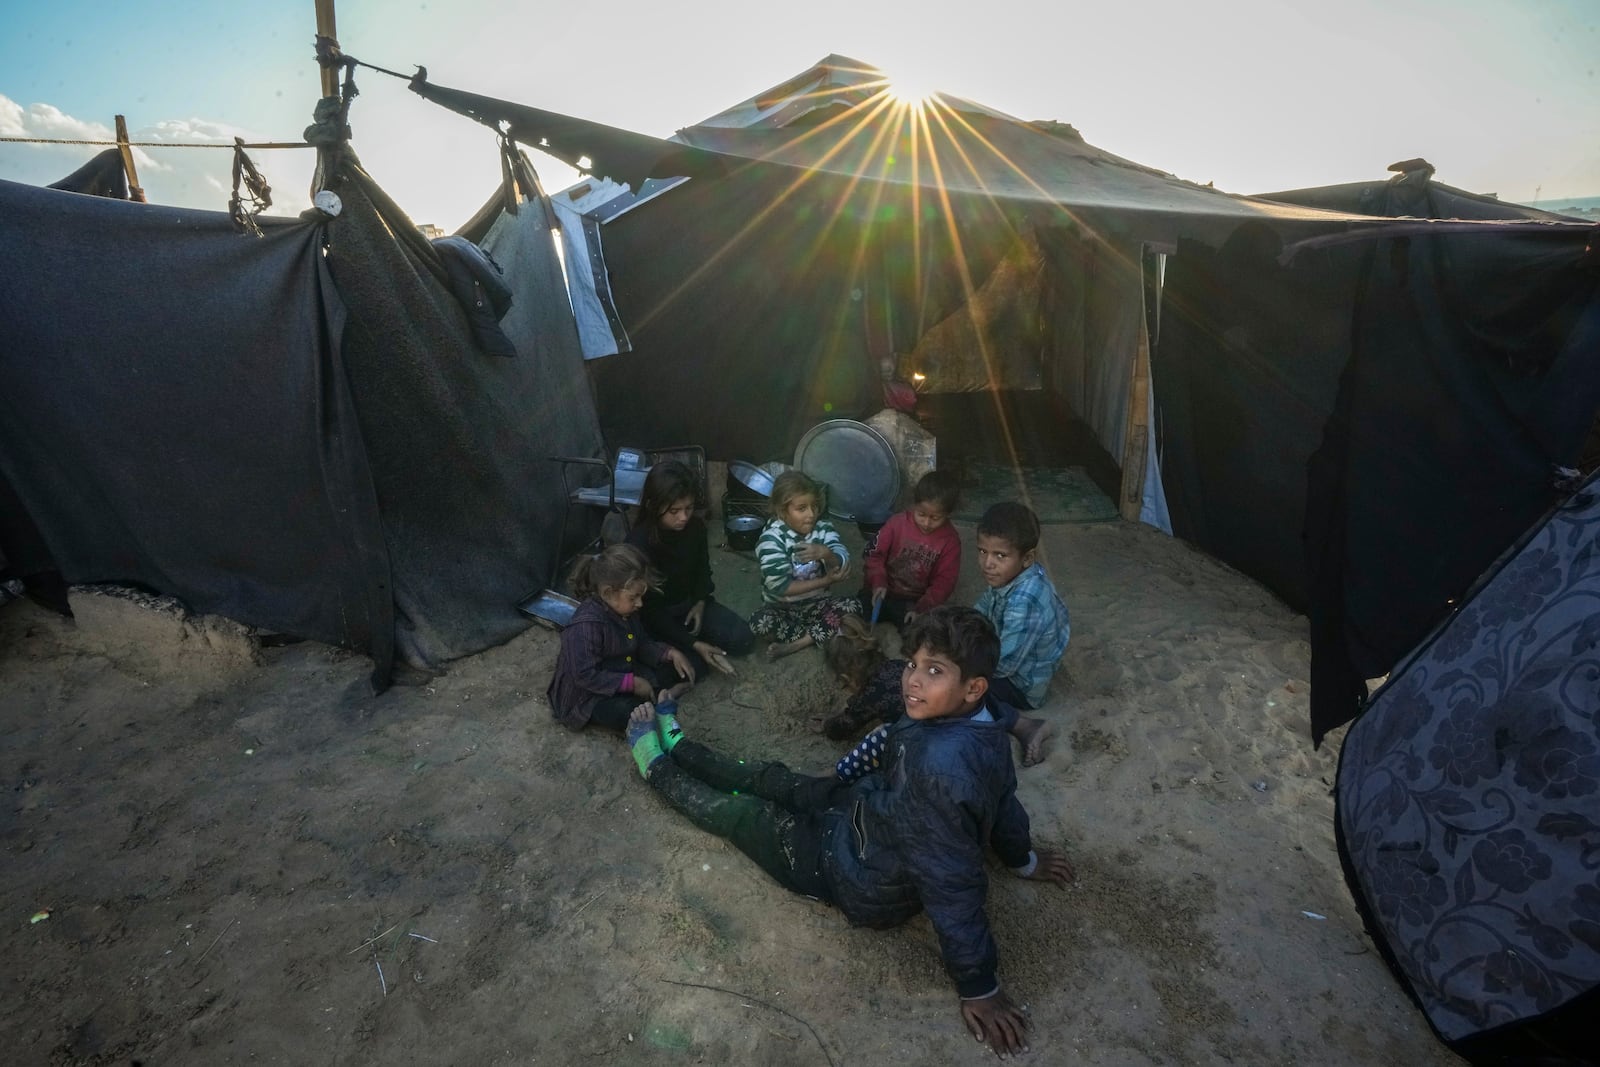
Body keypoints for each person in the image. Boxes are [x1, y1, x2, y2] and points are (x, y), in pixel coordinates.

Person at [621, 606, 1075, 1057]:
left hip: (848, 869)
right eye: (914, 664)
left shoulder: (939, 775)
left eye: (933, 671)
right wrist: (1023, 859)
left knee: (746, 816)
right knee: (778, 780)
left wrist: (980, 985)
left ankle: (656, 763)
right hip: (862, 812)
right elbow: (1006, 805)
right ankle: (680, 745)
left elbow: (950, 881)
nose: (912, 679)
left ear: (974, 688)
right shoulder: (986, 727)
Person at [545, 544, 696, 734]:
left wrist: (669, 653)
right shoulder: (586, 626)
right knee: (630, 712)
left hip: (622, 669)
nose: (640, 603)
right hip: (587, 695)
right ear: (608, 593)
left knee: (687, 665)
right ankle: (656, 699)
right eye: (634, 598)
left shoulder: (626, 610)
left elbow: (641, 643)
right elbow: (584, 675)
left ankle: (658, 694)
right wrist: (631, 684)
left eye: (641, 596)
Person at [626, 460, 753, 678]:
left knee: (743, 639)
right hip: (658, 619)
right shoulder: (639, 545)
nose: (683, 517)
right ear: (653, 506)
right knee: (693, 668)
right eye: (674, 511)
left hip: (690, 605)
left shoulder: (695, 528)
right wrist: (693, 643)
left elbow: (702, 571)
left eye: (689, 508)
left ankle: (694, 641)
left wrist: (700, 602)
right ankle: (690, 646)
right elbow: (649, 610)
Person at [973, 502, 1070, 765]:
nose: (987, 563)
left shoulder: (1026, 598)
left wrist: (963, 661)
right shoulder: (1009, 576)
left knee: (966, 689)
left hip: (1023, 683)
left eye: (1000, 556)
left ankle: (1026, 726)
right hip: (1011, 654)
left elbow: (1003, 665)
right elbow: (982, 607)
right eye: (983, 551)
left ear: (1027, 558)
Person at [749, 470, 867, 659]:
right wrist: (826, 580)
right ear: (782, 511)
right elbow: (780, 587)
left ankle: (798, 643)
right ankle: (823, 633)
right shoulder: (772, 539)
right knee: (760, 622)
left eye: (814, 506)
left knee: (855, 606)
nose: (811, 514)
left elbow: (842, 559)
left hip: (818, 605)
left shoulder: (822, 529)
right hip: (782, 608)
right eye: (801, 508)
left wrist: (827, 554)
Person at [860, 469, 962, 629]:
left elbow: (944, 582)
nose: (926, 523)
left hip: (914, 601)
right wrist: (878, 581)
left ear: (948, 514)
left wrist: (923, 607)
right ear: (914, 505)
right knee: (855, 612)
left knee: (920, 632)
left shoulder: (950, 541)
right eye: (921, 514)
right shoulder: (897, 523)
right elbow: (874, 555)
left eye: (935, 518)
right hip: (882, 590)